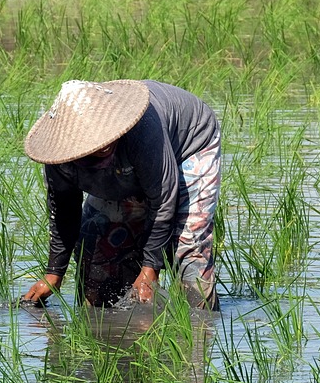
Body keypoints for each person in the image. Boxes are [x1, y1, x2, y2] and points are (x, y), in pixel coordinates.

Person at [20, 79, 221, 310]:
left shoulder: (141, 129)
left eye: (106, 135)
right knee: (96, 247)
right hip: (127, 168)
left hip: (190, 146)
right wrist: (54, 271)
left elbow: (164, 200)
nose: (105, 143)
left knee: (189, 249)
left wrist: (150, 267)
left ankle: (198, 330)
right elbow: (64, 210)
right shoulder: (58, 155)